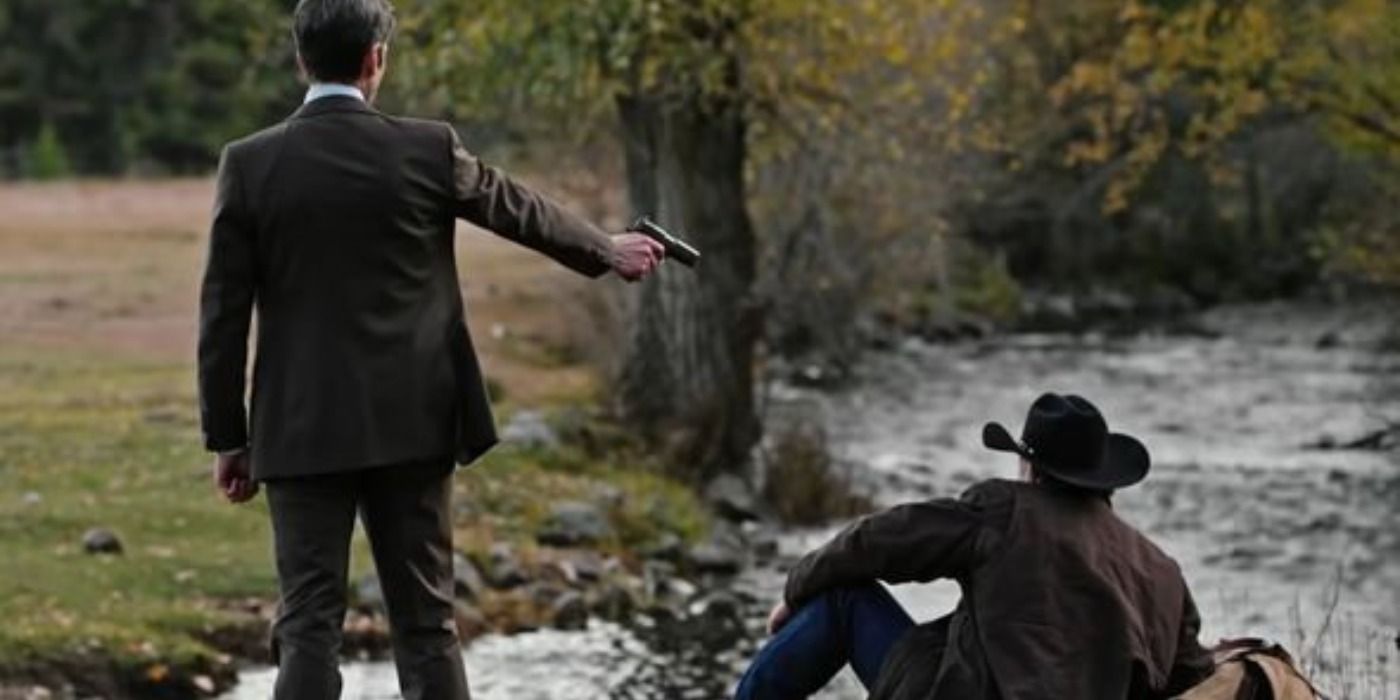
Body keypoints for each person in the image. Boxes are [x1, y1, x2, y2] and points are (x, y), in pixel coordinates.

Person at [196, 1, 665, 698]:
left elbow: (222, 315)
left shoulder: (250, 164)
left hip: (298, 429)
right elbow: (518, 209)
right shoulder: (426, 148)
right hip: (412, 423)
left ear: (301, 59)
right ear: (375, 59)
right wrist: (606, 250)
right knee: (426, 625)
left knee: (307, 627)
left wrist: (228, 438)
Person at [735, 393, 1217, 700]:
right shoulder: (1163, 571)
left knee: (842, 599)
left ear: (1031, 468)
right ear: (1104, 478)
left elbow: (880, 539)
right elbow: (1194, 679)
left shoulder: (1006, 509)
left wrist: (797, 591)